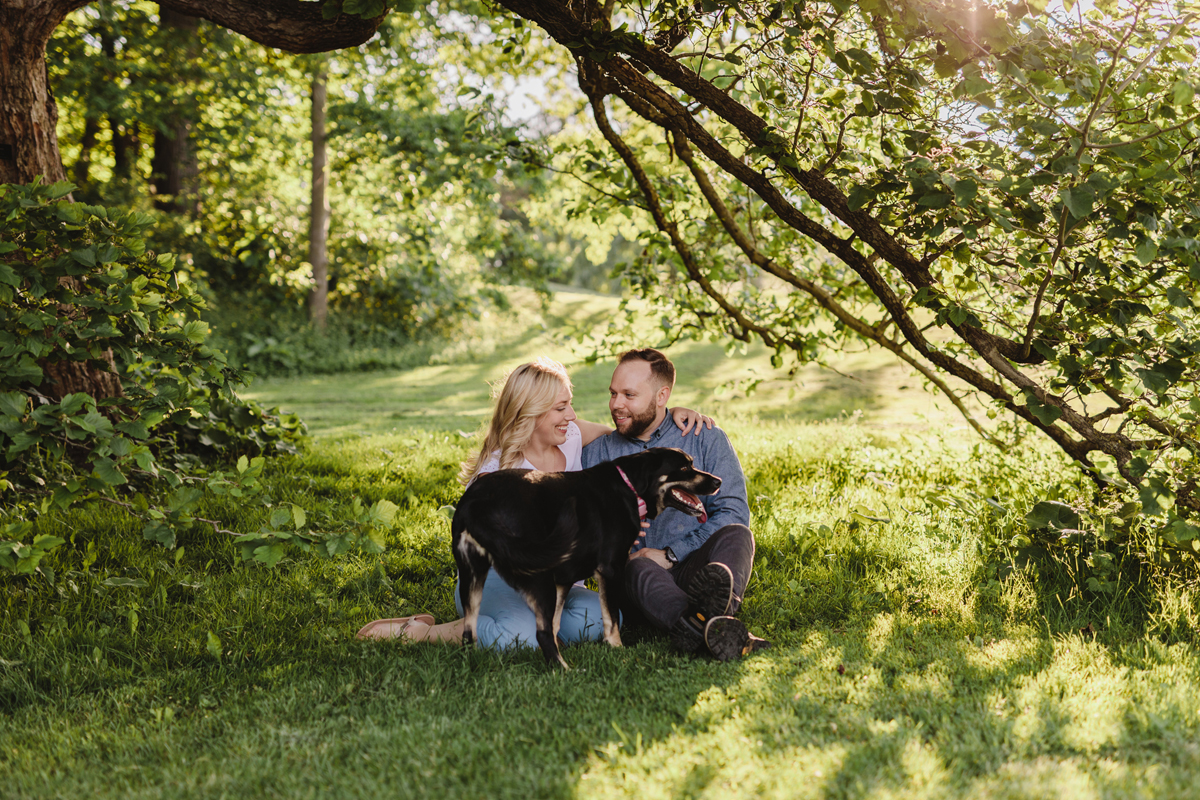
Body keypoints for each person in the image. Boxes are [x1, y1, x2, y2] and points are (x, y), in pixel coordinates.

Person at [356, 356, 712, 647]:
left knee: (603, 621)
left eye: (569, 404)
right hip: (503, 579)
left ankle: (516, 622)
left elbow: (622, 434)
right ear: (530, 414)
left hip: (561, 583)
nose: (572, 416)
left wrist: (670, 410)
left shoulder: (570, 436)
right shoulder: (498, 476)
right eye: (561, 408)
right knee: (520, 638)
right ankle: (427, 632)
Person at [582, 348, 770, 660]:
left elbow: (733, 511)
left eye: (629, 394)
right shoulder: (597, 454)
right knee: (639, 565)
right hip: (637, 580)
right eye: (613, 393)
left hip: (697, 567)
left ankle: (698, 624)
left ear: (662, 396)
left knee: (738, 533)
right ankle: (718, 625)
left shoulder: (704, 437)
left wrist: (671, 554)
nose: (616, 404)